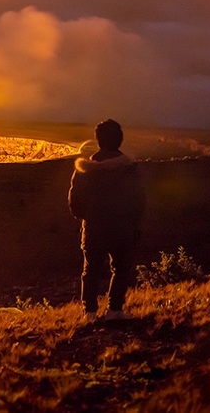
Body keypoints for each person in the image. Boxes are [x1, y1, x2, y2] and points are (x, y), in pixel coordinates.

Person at [68, 118, 145, 319]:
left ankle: (90, 312)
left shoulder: (84, 170)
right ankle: (115, 310)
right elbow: (138, 200)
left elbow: (75, 201)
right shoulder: (129, 169)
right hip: (122, 228)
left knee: (90, 270)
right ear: (119, 140)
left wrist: (88, 217)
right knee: (121, 269)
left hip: (94, 228)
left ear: (98, 140)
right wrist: (134, 223)